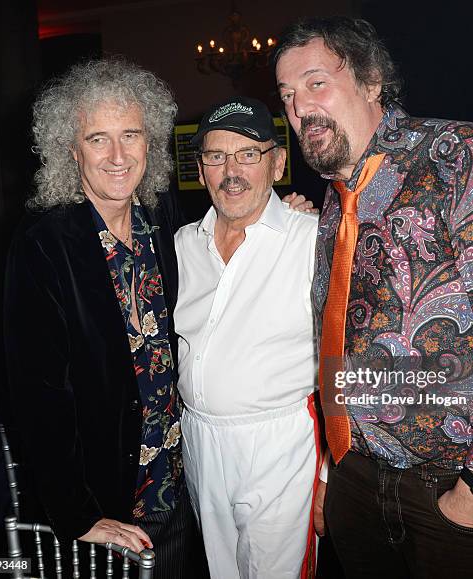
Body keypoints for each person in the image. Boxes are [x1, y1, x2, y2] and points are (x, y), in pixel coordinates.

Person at [274, 16, 473, 579]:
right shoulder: (336, 203)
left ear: (372, 81)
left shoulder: (455, 155)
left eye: (316, 83)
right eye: (287, 95)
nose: (299, 108)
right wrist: (335, 475)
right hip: (359, 484)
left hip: (452, 493)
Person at [3, 58, 196, 577]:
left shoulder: (161, 219)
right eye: (97, 139)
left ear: (150, 141)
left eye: (130, 134)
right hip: (107, 503)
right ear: (71, 150)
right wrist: (79, 514)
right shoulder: (45, 243)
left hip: (176, 489)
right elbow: (38, 394)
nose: (117, 156)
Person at [174, 97, 320, 578]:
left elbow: (348, 353)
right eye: (216, 157)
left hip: (279, 446)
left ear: (277, 163)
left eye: (247, 155)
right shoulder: (179, 246)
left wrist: (330, 473)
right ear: (200, 168)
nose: (230, 171)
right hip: (198, 441)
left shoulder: (313, 240)